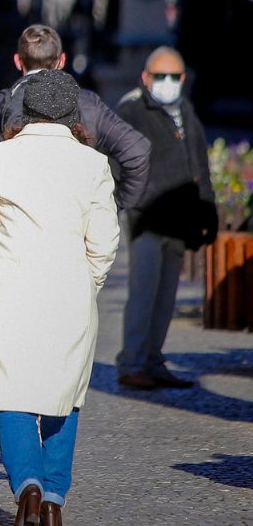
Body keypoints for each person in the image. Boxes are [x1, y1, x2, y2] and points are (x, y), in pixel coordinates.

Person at [0, 69, 120, 525]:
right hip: (71, 294)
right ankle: (53, 497)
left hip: (10, 292)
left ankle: (26, 485)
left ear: (24, 111)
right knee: (64, 393)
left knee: (11, 391)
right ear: (74, 116)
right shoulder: (93, 165)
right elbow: (105, 242)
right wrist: (88, 282)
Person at [114, 47, 217, 390]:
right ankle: (132, 363)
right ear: (146, 77)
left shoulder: (184, 109)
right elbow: (119, 163)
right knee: (143, 292)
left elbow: (198, 162)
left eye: (175, 77)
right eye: (161, 76)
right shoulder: (131, 109)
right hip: (147, 219)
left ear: (184, 79)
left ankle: (153, 360)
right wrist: (136, 200)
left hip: (180, 219)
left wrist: (207, 208)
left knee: (166, 296)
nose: (168, 83)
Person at [0, 24, 151, 209]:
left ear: (18, 61)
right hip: (75, 224)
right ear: (62, 60)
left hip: (11, 227)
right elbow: (137, 151)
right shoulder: (88, 104)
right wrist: (114, 205)